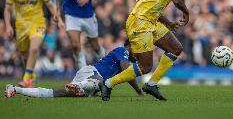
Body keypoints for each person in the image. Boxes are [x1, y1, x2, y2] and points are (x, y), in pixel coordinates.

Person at [101, 0, 189, 101]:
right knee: (145, 66)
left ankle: (152, 84)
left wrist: (167, 23)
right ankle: (109, 83)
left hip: (149, 20)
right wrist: (186, 12)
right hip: (140, 22)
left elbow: (151, 6)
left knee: (175, 48)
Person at [5, 40, 143, 98]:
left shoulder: (125, 60)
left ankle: (15, 89)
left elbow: (128, 75)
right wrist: (139, 90)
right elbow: (127, 73)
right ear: (130, 46)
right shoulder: (122, 50)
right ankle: (79, 86)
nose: (138, 54)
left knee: (53, 94)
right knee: (99, 81)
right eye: (138, 50)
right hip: (91, 73)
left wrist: (138, 91)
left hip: (89, 82)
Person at [4, 0, 57, 87]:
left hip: (38, 22)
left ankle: (26, 78)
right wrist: (7, 25)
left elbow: (50, 5)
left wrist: (57, 18)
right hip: (21, 25)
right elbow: (7, 9)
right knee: (24, 54)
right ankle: (31, 75)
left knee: (34, 49)